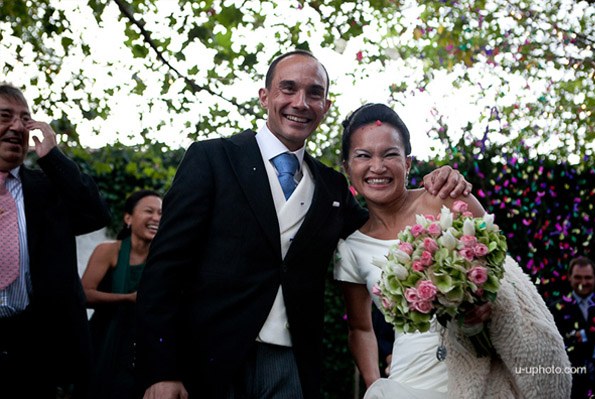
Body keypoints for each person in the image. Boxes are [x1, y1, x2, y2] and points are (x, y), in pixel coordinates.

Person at [135, 50, 471, 399]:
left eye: (314, 93)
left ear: (325, 106)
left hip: (292, 367)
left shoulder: (332, 187)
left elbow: (386, 231)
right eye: (289, 88)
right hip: (206, 360)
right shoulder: (212, 159)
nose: (301, 102)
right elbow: (164, 269)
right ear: (265, 96)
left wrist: (436, 186)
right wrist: (161, 369)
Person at [334, 103, 572, 398]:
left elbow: (503, 272)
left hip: (478, 367)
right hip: (408, 378)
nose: (378, 166)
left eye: (390, 154)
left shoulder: (445, 198)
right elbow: (361, 329)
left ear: (408, 163)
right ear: (347, 167)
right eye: (363, 156)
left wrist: (488, 305)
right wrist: (374, 385)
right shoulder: (351, 247)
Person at [0, 83, 111, 398]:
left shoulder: (48, 189)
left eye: (25, 120)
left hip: (38, 353)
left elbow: (96, 214)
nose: (17, 127)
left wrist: (53, 158)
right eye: (5, 116)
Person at [82, 190, 162, 399]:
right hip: (102, 342)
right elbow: (83, 295)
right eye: (149, 211)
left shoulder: (162, 259)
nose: (156, 218)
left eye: (161, 213)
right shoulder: (108, 251)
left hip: (141, 349)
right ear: (128, 218)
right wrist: (127, 298)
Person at [550, 256, 595, 398]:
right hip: (570, 383)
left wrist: (583, 335)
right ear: (569, 278)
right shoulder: (556, 309)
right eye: (578, 277)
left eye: (588, 278)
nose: (583, 282)